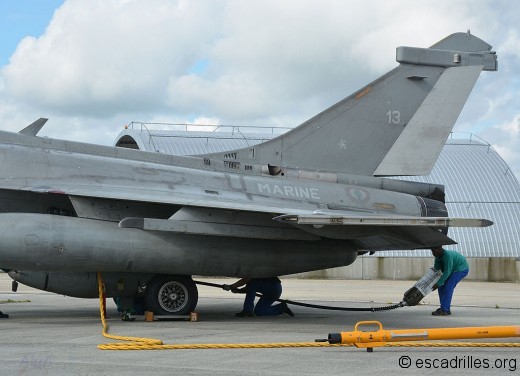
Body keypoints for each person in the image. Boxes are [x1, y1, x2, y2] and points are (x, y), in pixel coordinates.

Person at [223, 277, 294, 317]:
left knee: (252, 283)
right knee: (259, 311)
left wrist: (232, 286)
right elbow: (250, 288)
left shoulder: (253, 266)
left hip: (274, 287)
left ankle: (247, 311)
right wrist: (237, 290)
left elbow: (247, 279)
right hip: (273, 290)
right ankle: (282, 308)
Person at [430, 246, 469, 316]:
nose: (433, 253)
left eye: (434, 251)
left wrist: (438, 283)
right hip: (452, 269)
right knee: (441, 286)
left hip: (460, 269)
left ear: (440, 249)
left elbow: (447, 272)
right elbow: (437, 270)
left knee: (448, 286)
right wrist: (432, 281)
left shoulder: (447, 256)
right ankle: (445, 308)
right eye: (432, 251)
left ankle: (444, 310)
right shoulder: (437, 257)